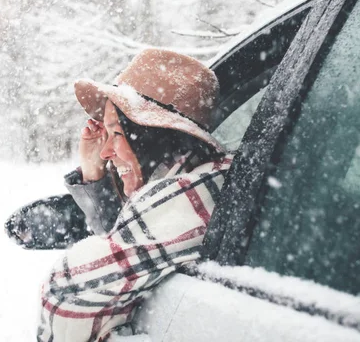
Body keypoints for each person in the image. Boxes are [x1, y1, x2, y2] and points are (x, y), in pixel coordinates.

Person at [37, 49, 233, 342]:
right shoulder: (178, 191)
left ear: (154, 135)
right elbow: (127, 239)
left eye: (116, 135)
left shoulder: (190, 196)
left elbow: (67, 288)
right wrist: (95, 175)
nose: (105, 152)